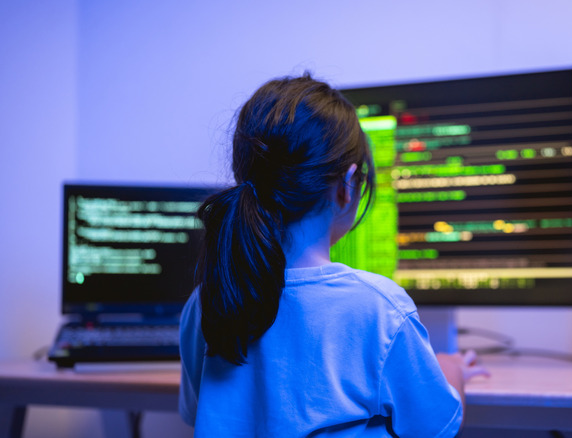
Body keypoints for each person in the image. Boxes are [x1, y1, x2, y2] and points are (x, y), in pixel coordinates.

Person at [179, 73, 488, 437]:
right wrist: (450, 370)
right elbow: (436, 426)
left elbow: (197, 411)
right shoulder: (379, 309)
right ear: (348, 184)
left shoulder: (206, 302)